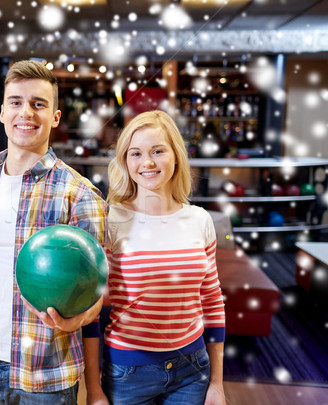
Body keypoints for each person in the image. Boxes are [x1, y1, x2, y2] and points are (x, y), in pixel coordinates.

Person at [0, 60, 108, 404]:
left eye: (39, 104)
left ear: (55, 116)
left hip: (45, 374)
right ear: (3, 112)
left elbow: (100, 287)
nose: (27, 112)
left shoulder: (79, 193)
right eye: (16, 102)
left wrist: (78, 319)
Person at [98, 110, 226, 405]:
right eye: (136, 153)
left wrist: (217, 383)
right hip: (128, 371)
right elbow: (95, 306)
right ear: (125, 161)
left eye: (158, 151)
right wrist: (93, 388)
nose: (148, 163)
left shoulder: (200, 219)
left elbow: (212, 300)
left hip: (193, 369)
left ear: (176, 156)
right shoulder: (110, 219)